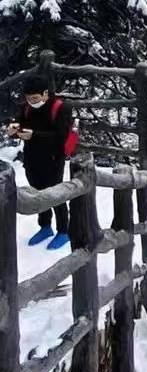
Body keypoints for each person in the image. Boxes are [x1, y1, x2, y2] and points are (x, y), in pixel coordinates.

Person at [7, 74, 76, 249]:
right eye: (28, 98)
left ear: (45, 94)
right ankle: (45, 227)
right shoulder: (28, 107)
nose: (31, 101)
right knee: (37, 193)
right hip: (32, 157)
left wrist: (34, 135)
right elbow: (20, 121)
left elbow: (61, 137)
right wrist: (14, 128)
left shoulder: (61, 108)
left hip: (53, 159)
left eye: (35, 98)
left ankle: (63, 231)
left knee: (55, 194)